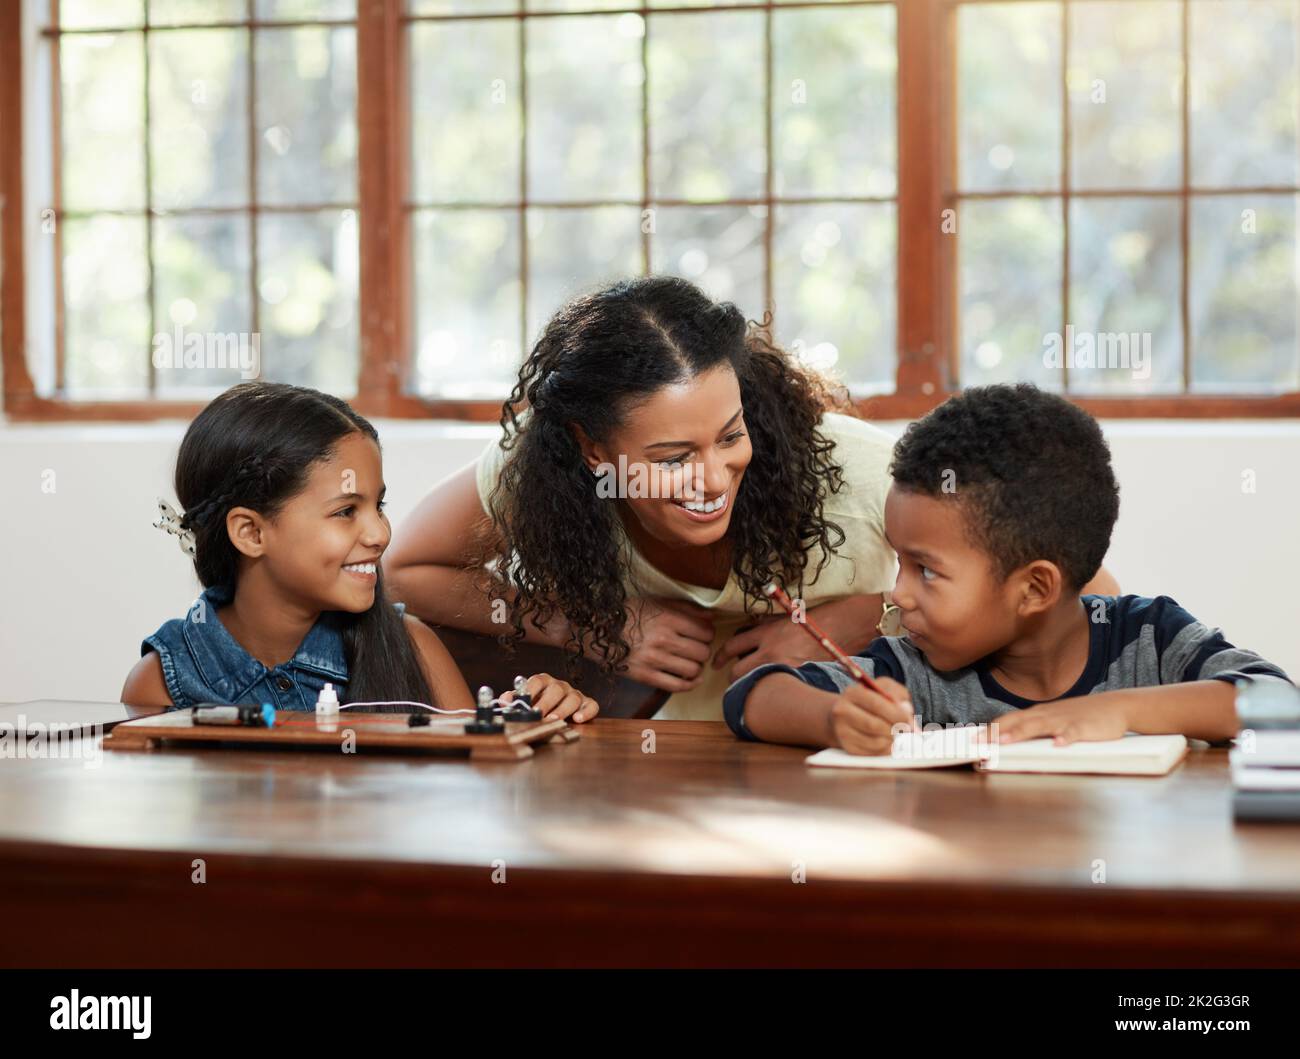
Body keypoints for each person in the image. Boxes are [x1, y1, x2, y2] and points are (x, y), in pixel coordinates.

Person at [721, 384, 1290, 752]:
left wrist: (1114, 711)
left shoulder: (1149, 640)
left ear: (1034, 587)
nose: (898, 595)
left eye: (925, 570)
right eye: (900, 563)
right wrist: (836, 719)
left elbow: (1278, 703)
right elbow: (753, 697)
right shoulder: (913, 669)